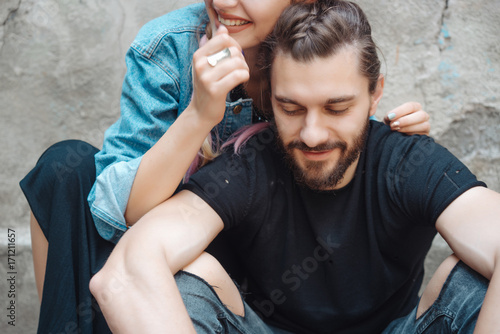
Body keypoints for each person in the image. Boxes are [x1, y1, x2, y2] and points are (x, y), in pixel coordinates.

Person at [20, 0, 430, 332]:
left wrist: (385, 135)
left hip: (251, 280)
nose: (223, 2)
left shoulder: (321, 45)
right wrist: (200, 114)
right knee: (62, 169)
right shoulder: (171, 46)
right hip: (159, 239)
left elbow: (329, 152)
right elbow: (116, 214)